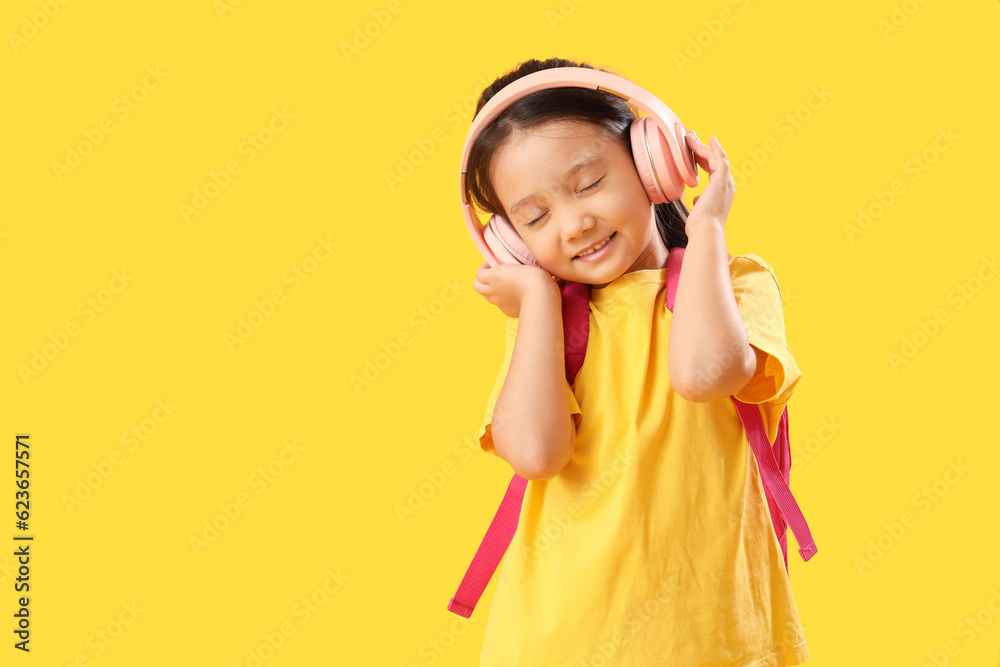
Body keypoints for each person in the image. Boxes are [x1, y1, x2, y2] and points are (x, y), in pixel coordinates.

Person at [467, 57, 809, 666]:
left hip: (715, 641)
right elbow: (536, 454)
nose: (573, 225)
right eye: (536, 218)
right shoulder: (549, 332)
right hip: (559, 643)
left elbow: (705, 373)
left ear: (654, 164)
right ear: (510, 244)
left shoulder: (738, 287)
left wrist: (707, 229)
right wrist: (540, 302)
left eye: (588, 183)